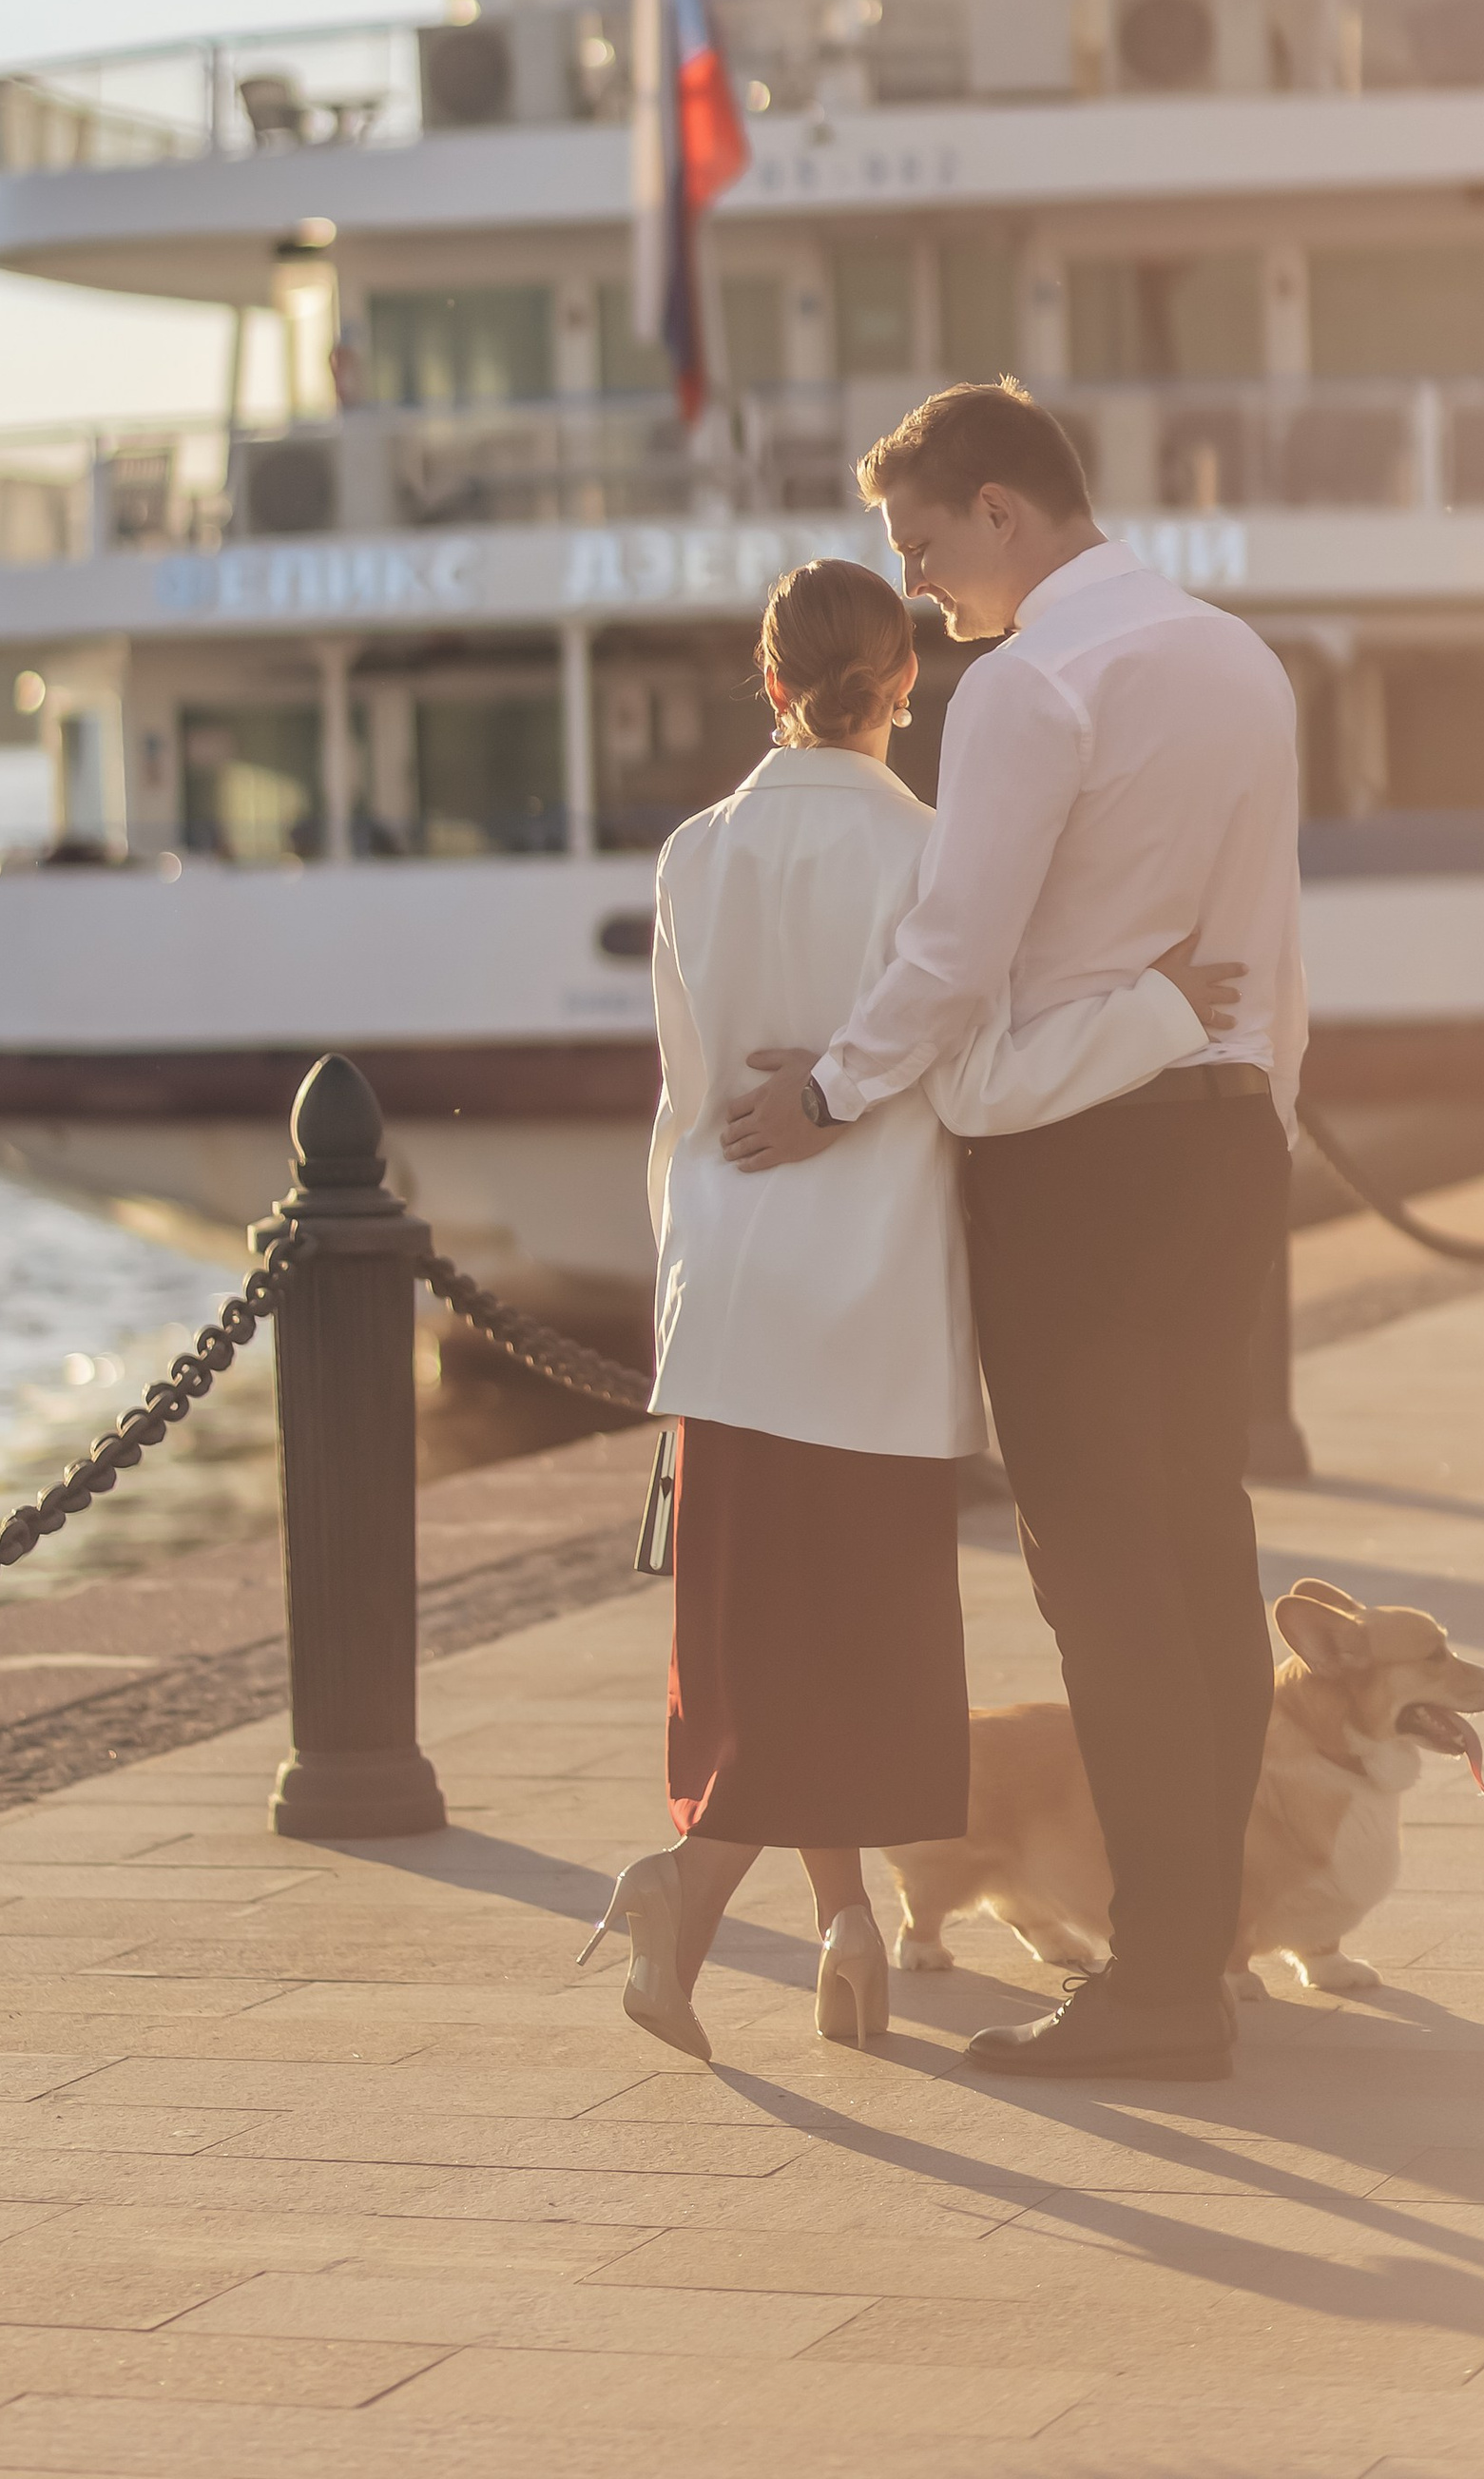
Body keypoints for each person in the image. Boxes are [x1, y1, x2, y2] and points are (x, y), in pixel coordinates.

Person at [579, 555, 1240, 2066]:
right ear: (906, 685)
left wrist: (687, 1288)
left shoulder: (691, 854)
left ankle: (841, 1928)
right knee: (854, 1649)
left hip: (730, 1301)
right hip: (868, 1317)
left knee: (762, 1639)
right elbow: (982, 1084)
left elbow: (686, 1098)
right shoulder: (933, 856)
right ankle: (701, 1893)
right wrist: (1156, 1010)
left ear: (769, 683)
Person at [722, 383, 1305, 2082]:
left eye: (923, 548)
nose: (919, 590)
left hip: (1080, 1161)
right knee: (1200, 1542)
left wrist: (827, 1092)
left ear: (1000, 508)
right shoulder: (1235, 659)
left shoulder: (1031, 684)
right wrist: (1263, 1106)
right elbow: (1271, 935)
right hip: (1227, 1140)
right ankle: (1193, 1955)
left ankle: (1162, 1989)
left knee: (1106, 1579)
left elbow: (956, 951)